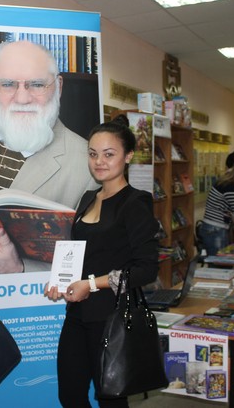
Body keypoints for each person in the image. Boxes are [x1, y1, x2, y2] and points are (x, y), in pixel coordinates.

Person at [0, 40, 97, 273]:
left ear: (58, 86)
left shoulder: (87, 165)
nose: (22, 98)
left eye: (36, 84)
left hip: (30, 296)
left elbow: (92, 262)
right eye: (8, 84)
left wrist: (19, 268)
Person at [45, 115, 160, 407]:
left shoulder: (136, 203)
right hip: (77, 314)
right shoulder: (87, 198)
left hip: (112, 318)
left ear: (128, 156)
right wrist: (60, 281)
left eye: (109, 154)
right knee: (70, 395)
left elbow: (146, 269)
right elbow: (81, 253)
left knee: (111, 399)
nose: (99, 162)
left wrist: (92, 284)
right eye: (93, 154)